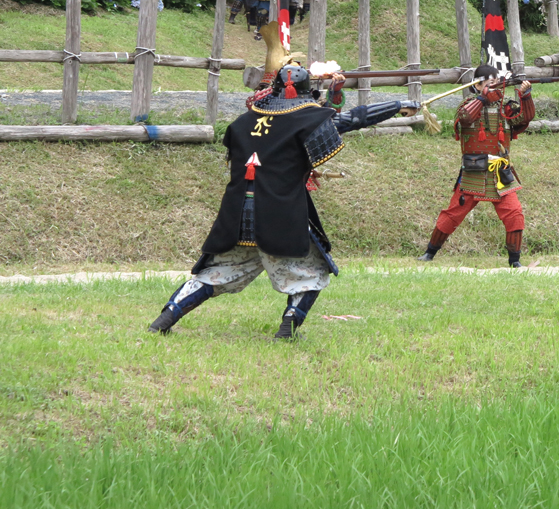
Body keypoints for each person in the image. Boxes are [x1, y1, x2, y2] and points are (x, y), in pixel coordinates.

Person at [147, 64, 421, 339]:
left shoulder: (241, 122)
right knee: (312, 273)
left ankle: (164, 319)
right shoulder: (307, 119)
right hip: (279, 214)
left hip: (236, 215)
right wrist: (398, 105)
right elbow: (351, 119)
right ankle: (288, 328)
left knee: (215, 273)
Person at [420, 64, 536, 268]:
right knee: (452, 214)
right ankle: (429, 253)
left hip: (500, 173)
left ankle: (514, 261)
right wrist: (482, 99)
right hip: (473, 172)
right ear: (478, 84)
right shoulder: (467, 105)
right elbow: (465, 119)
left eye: (496, 83)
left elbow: (524, 118)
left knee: (515, 214)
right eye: (489, 83)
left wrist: (525, 97)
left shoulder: (506, 108)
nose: (494, 87)